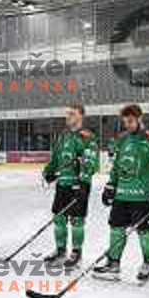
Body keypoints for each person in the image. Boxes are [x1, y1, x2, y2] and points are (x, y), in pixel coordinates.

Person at [94, 104, 149, 283]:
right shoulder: (122, 139)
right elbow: (117, 167)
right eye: (125, 121)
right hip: (122, 194)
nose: (127, 124)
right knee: (115, 228)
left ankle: (147, 263)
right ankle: (113, 264)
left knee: (143, 229)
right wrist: (111, 185)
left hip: (142, 195)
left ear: (139, 119)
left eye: (130, 121)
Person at [42, 104, 99, 268]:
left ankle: (76, 253)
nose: (68, 117)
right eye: (67, 114)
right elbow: (56, 158)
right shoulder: (63, 136)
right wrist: (49, 171)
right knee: (58, 218)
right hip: (63, 184)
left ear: (81, 116)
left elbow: (90, 162)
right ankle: (60, 251)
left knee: (77, 220)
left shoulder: (87, 137)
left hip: (78, 185)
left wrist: (83, 183)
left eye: (72, 114)